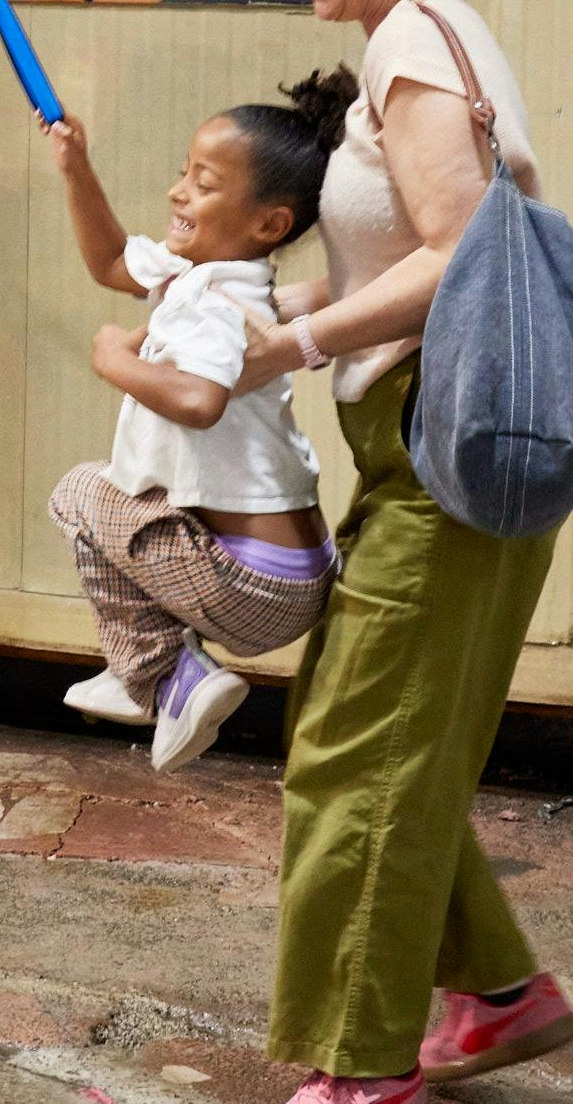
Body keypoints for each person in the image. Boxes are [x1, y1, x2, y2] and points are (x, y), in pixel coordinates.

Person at [228, 0, 573, 1104]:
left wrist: (299, 341)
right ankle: (499, 993)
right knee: (368, 727)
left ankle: (366, 1069)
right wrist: (247, 312)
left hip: (450, 448)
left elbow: (466, 247)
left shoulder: (418, 53)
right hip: (431, 446)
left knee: (356, 754)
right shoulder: (413, 44)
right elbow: (399, 263)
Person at [45, 86, 351, 771]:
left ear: (269, 225)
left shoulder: (218, 299)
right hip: (287, 574)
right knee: (122, 498)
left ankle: (166, 677)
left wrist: (112, 360)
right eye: (185, 171)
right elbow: (112, 264)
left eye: (204, 184)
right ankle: (144, 670)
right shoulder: (201, 272)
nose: (178, 192)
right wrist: (76, 167)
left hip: (250, 588)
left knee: (80, 494)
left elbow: (200, 399)